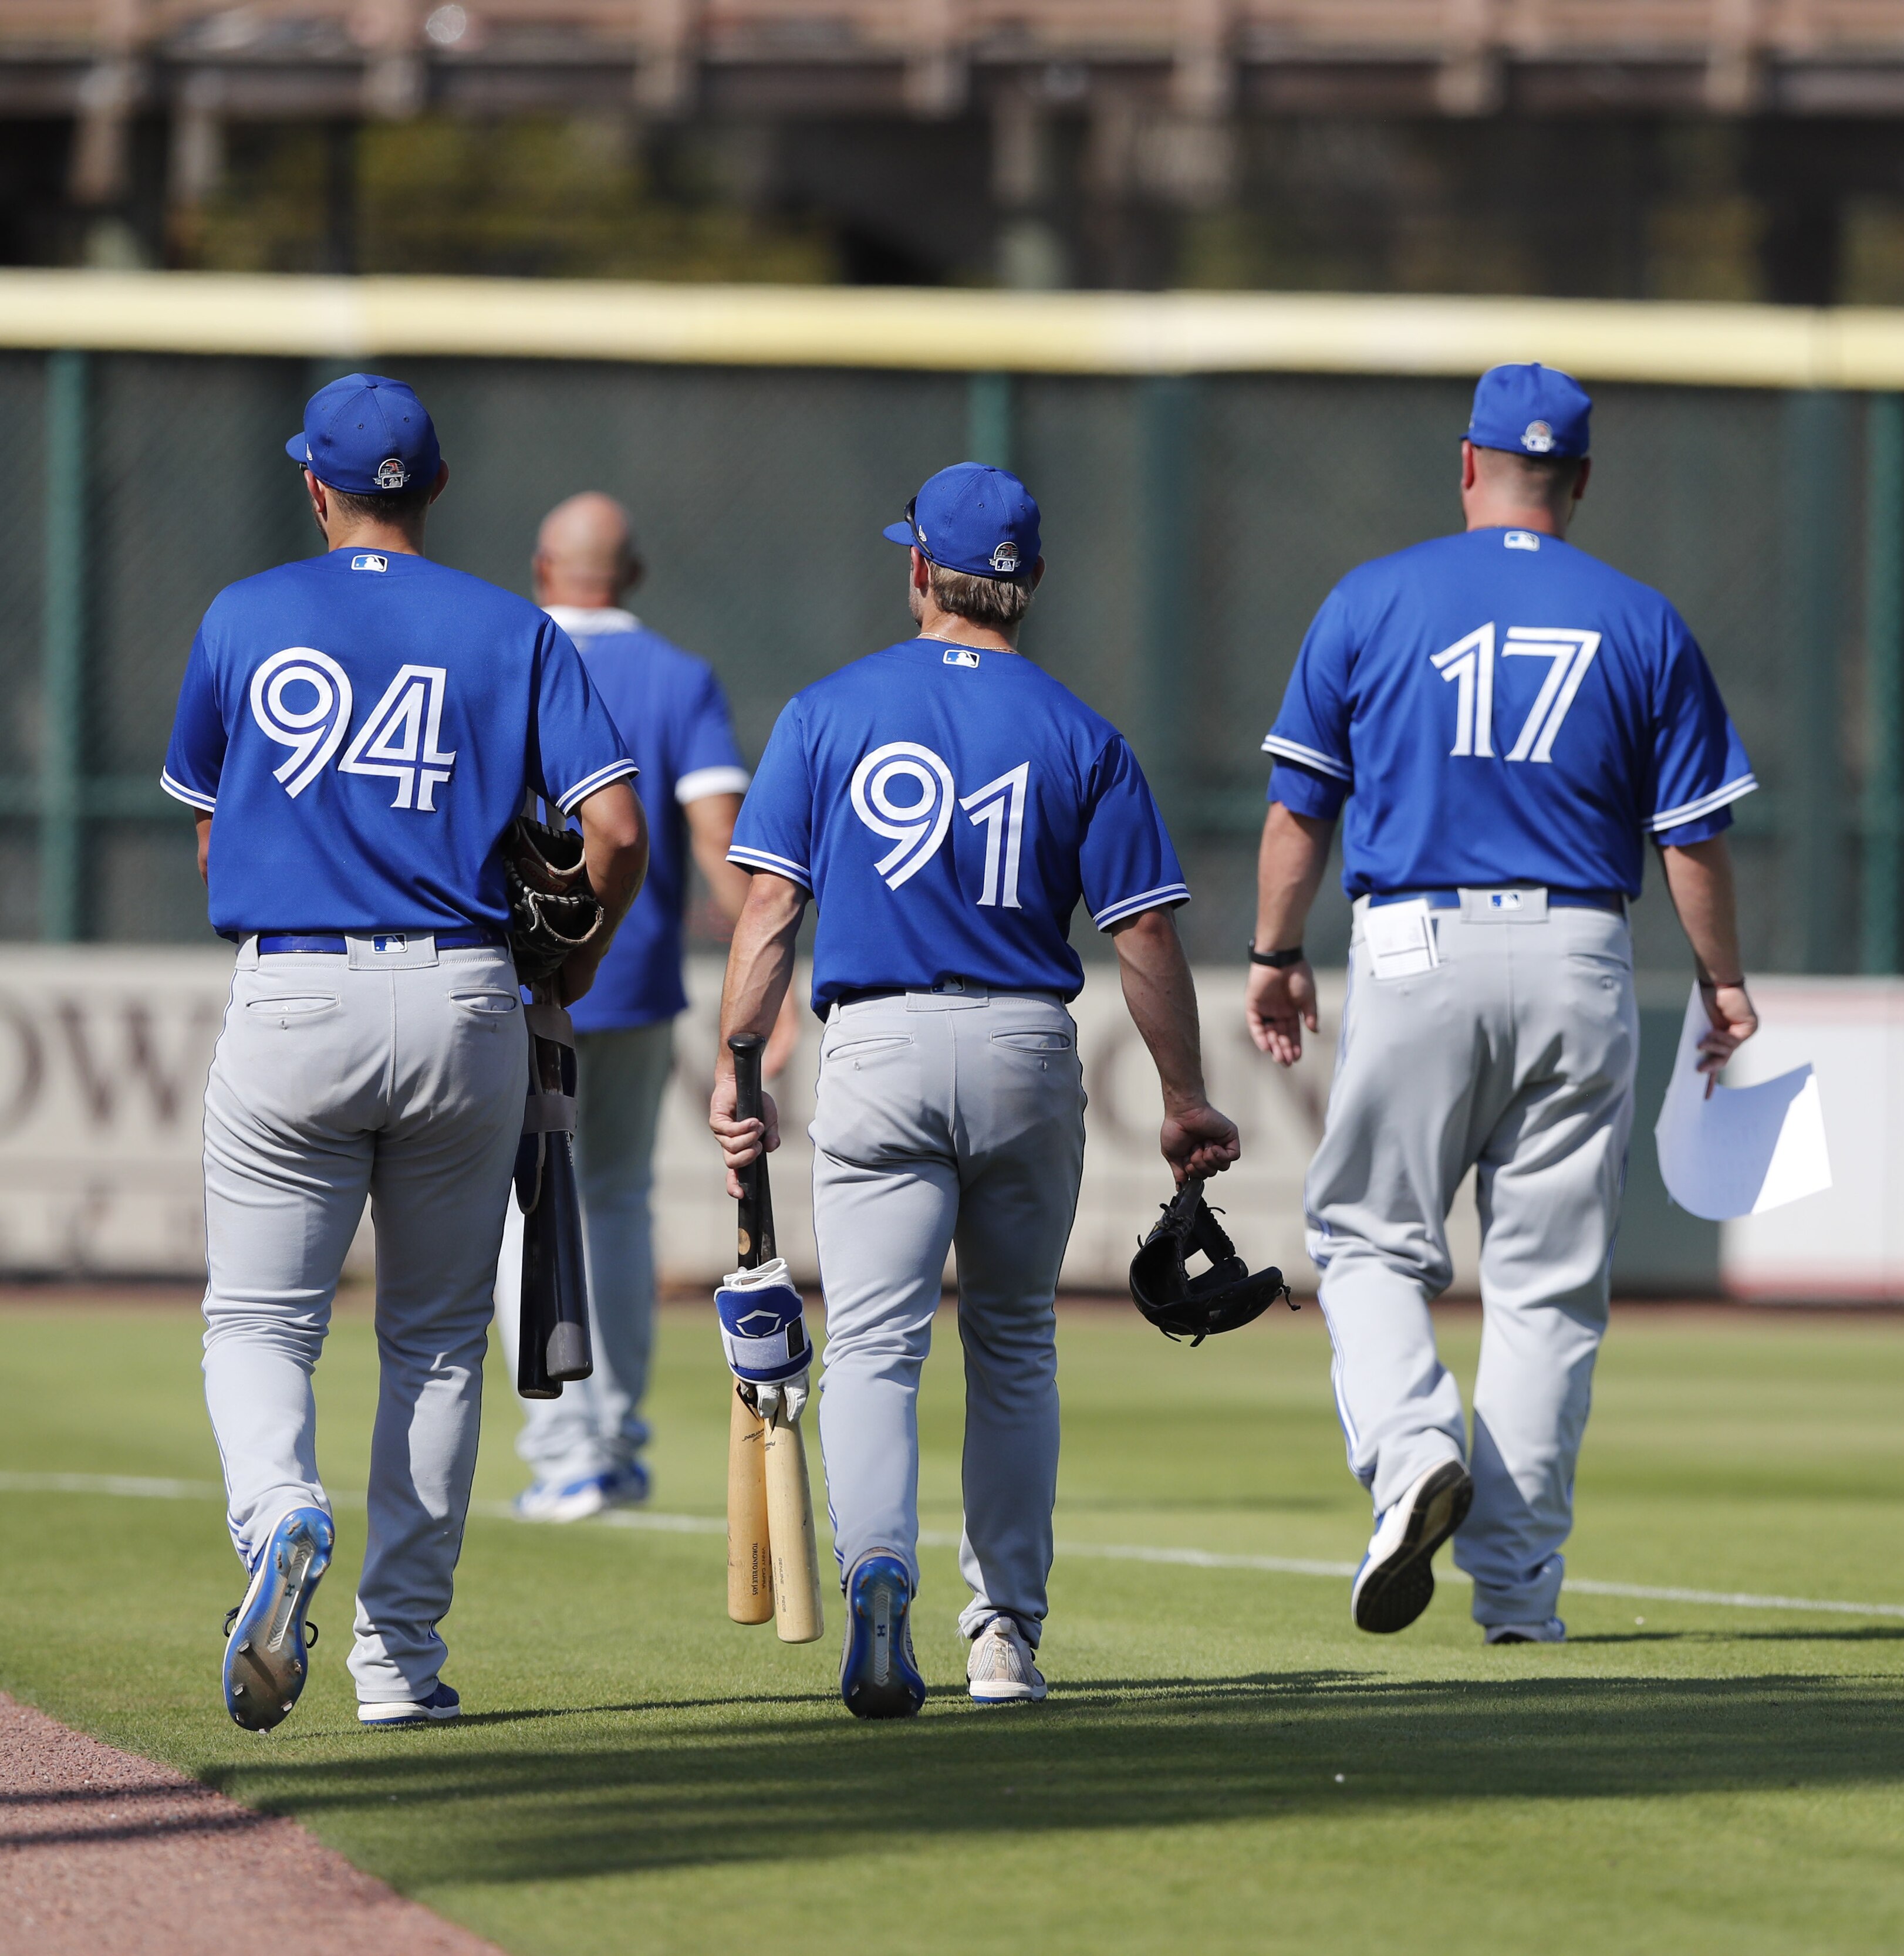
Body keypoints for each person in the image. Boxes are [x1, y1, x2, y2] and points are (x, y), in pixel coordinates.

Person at [710, 462, 1241, 1719]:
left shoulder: (828, 710)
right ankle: (1003, 1634)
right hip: (1023, 1044)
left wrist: (740, 1064)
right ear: (1032, 582)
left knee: (875, 1347)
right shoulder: (1081, 731)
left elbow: (771, 909)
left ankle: (877, 1570)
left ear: (917, 569)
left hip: (881, 1041)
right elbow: (1143, 933)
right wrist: (1183, 1095)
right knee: (1012, 1347)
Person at [1243, 364, 1759, 1645]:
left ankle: (1414, 1446)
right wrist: (1723, 980)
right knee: (1547, 1289)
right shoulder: (1641, 619)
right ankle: (1519, 1596)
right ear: (1580, 480)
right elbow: (1690, 838)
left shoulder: (1373, 596)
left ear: (1467, 463)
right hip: (1582, 946)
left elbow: (1301, 807)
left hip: (1417, 939)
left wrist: (1273, 949)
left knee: (1370, 1240)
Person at [160, 374, 647, 1731]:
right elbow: (615, 830)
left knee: (260, 1321)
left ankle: (280, 1512)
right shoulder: (513, 626)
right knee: (434, 1340)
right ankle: (398, 1665)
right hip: (463, 995)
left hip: (296, 985)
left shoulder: (243, 614)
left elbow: (208, 832)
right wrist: (574, 965)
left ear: (314, 487)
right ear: (434, 486)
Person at [499, 492, 791, 1522]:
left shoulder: (504, 650)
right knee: (619, 1200)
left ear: (544, 567)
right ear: (634, 575)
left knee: (526, 1203)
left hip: (518, 974)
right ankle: (617, 1440)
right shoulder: (678, 675)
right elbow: (718, 836)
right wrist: (769, 983)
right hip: (629, 973)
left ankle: (564, 1449)